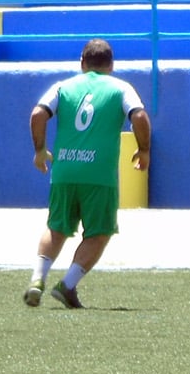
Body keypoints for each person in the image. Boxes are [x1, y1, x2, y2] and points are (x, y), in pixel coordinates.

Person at [23, 38, 151, 309]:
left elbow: (37, 114)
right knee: (99, 232)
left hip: (65, 171)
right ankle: (67, 285)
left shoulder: (63, 86)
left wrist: (39, 150)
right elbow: (139, 116)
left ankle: (37, 280)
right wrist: (144, 150)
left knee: (56, 228)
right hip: (99, 175)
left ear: (82, 62)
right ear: (111, 64)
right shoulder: (121, 87)